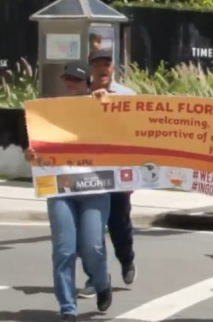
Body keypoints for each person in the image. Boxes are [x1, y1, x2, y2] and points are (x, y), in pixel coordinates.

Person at [25, 61, 112, 322]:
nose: (70, 83)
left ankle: (101, 281)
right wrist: (31, 155)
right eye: (67, 79)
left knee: (93, 247)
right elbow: (37, 150)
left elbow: (125, 124)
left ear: (87, 83)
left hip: (95, 188)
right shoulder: (50, 111)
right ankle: (67, 308)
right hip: (60, 187)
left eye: (76, 79)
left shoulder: (101, 105)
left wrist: (104, 103)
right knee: (64, 250)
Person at [79, 48, 138, 299]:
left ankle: (126, 259)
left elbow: (137, 133)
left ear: (113, 68)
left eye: (107, 64)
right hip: (86, 172)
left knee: (118, 223)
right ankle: (96, 277)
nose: (102, 68)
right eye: (97, 64)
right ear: (91, 68)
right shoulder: (79, 96)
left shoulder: (127, 96)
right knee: (89, 229)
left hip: (116, 172)